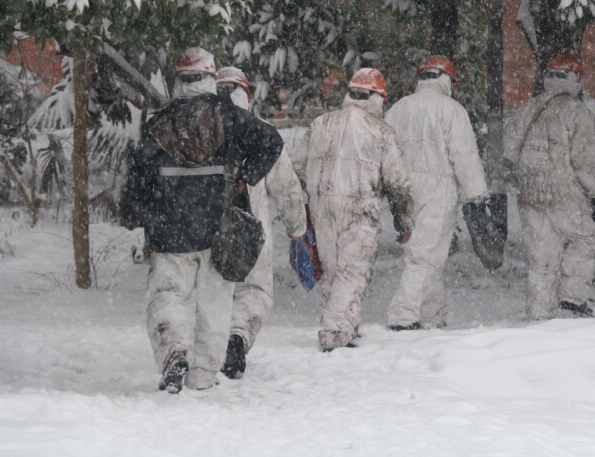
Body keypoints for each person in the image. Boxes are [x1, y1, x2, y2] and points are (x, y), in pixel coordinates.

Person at [120, 48, 283, 393]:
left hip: (169, 234)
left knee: (169, 296)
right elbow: (272, 140)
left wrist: (133, 213)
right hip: (218, 231)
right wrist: (245, 176)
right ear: (212, 78)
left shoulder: (159, 124)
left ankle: (175, 352)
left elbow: (139, 176)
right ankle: (203, 377)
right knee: (215, 306)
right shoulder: (231, 116)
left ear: (178, 81)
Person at [294, 68, 414, 351]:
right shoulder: (382, 132)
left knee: (333, 270)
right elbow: (398, 183)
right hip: (361, 209)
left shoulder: (321, 124)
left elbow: (298, 166)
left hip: (323, 206)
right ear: (375, 98)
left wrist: (316, 191)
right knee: (352, 271)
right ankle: (336, 332)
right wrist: (405, 222)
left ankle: (341, 324)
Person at [385, 55, 490, 331]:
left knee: (422, 254)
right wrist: (477, 195)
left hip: (403, 188)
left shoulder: (400, 108)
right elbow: (464, 156)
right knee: (426, 257)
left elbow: (383, 149)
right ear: (448, 81)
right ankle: (403, 316)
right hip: (436, 189)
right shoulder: (451, 110)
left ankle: (431, 316)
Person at [215, 67, 307, 379]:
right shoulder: (262, 132)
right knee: (253, 290)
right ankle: (237, 338)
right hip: (251, 233)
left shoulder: (200, 128)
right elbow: (288, 189)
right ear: (247, 95)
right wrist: (298, 230)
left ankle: (207, 347)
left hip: (204, 230)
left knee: (211, 289)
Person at [504, 49, 595, 320]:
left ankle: (539, 315)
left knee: (541, 256)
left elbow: (508, 151)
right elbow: (585, 162)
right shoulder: (576, 112)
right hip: (564, 190)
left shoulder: (530, 107)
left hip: (529, 191)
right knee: (587, 237)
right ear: (574, 78)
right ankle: (572, 300)